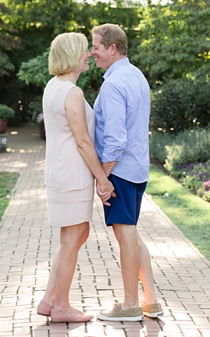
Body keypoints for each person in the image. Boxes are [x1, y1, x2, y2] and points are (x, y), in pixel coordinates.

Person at [37, 32, 114, 323]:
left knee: (77, 234)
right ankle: (62, 307)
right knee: (72, 237)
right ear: (71, 55)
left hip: (60, 171)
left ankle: (49, 300)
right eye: (85, 50)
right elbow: (83, 141)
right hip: (72, 174)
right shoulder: (72, 93)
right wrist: (103, 180)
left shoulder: (53, 87)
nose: (89, 55)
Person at [90, 23, 164, 322]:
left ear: (112, 48)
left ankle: (130, 303)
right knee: (131, 234)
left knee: (127, 235)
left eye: (96, 46)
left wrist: (103, 177)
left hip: (120, 170)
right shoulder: (136, 76)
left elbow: (116, 139)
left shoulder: (113, 84)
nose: (92, 52)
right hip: (136, 169)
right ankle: (151, 301)